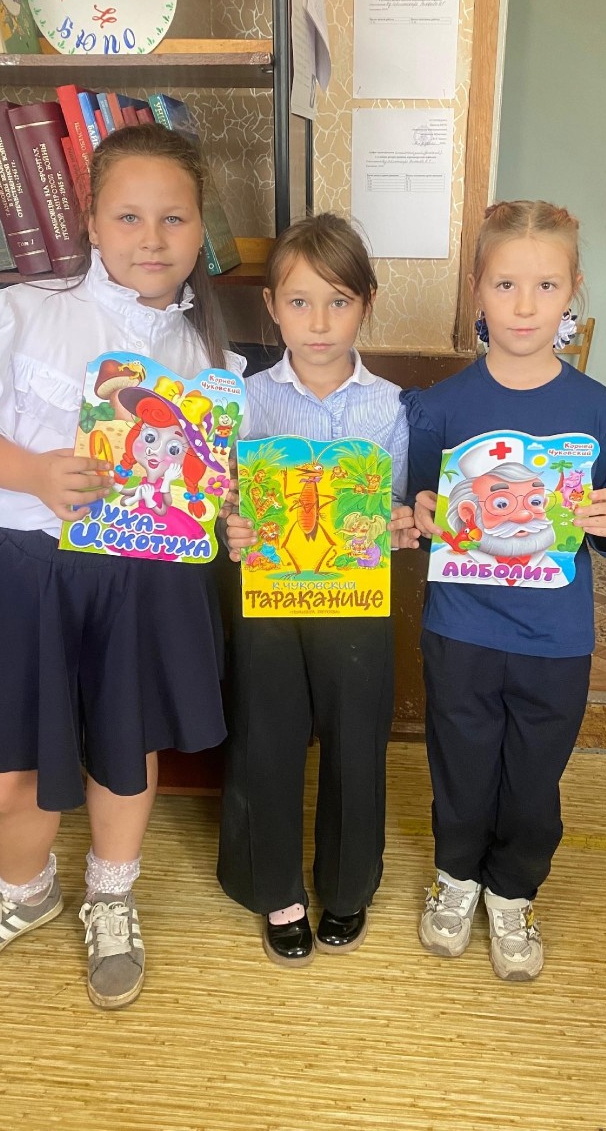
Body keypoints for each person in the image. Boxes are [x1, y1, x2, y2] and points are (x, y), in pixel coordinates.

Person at [0, 123, 243, 1010]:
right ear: (91, 224)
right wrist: (31, 472)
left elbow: (209, 490)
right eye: (128, 216)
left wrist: (228, 514)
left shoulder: (207, 360)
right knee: (3, 778)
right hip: (26, 573)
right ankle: (23, 894)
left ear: (201, 229)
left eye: (173, 218)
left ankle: (111, 894)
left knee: (123, 748)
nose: (151, 238)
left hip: (143, 581)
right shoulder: (24, 310)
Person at [404, 199, 606, 983]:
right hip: (462, 628)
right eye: (505, 284)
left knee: (535, 775)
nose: (525, 305)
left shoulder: (598, 411)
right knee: (461, 762)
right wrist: (422, 512)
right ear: (477, 288)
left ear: (572, 291)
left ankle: (512, 891)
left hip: (555, 637)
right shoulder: (441, 406)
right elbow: (420, 513)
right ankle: (457, 876)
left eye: (546, 286)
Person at [217, 213, 417, 966]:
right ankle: (276, 889)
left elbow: (400, 507)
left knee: (356, 743)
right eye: (300, 302)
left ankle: (347, 886)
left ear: (367, 303)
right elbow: (222, 506)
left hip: (354, 606)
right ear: (272, 306)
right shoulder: (243, 401)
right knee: (264, 740)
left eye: (339, 301)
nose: (320, 322)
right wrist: (231, 529)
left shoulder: (393, 407)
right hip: (269, 604)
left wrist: (400, 524)